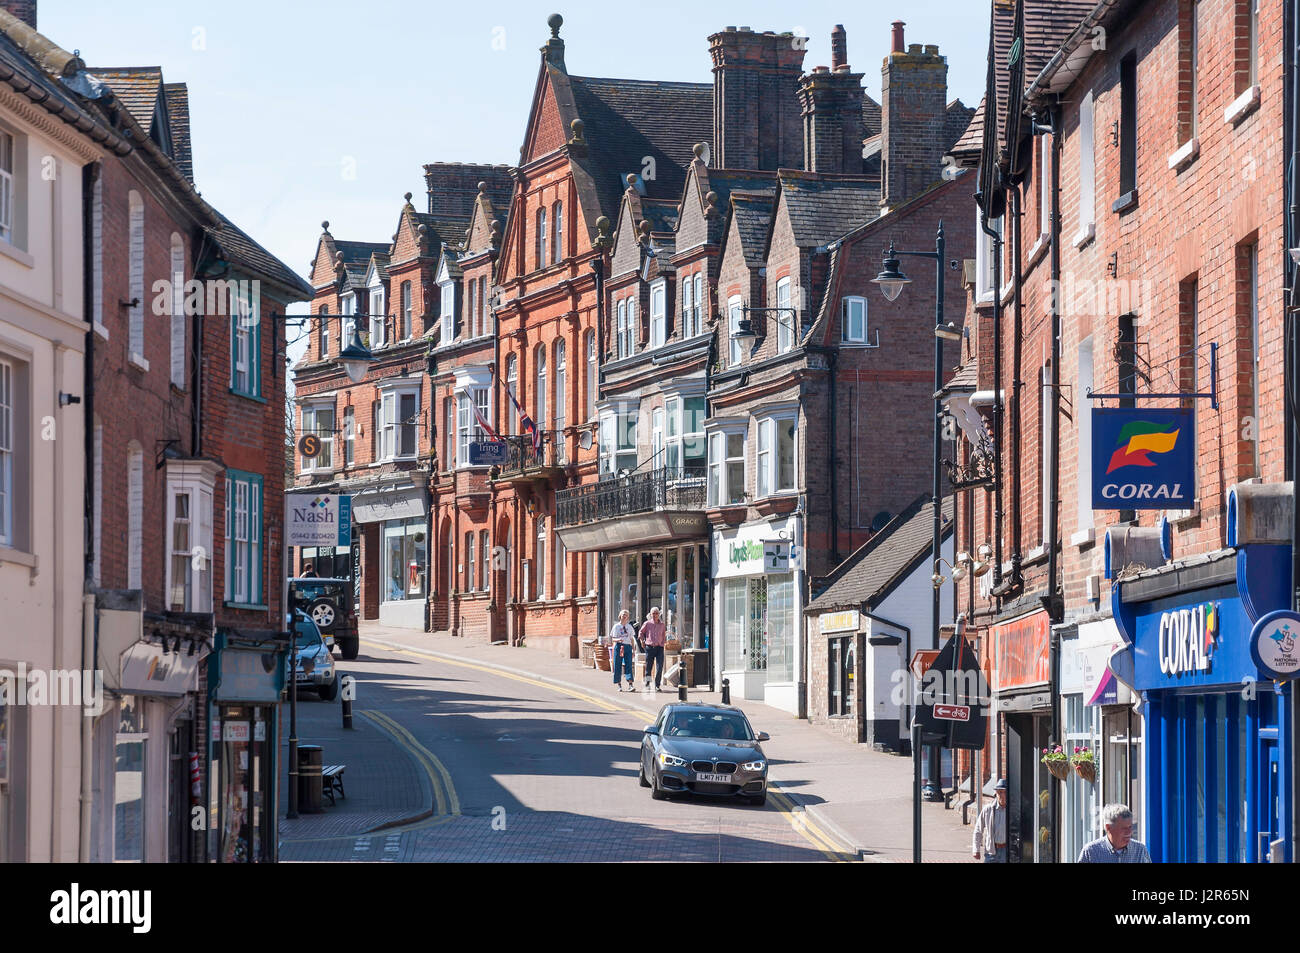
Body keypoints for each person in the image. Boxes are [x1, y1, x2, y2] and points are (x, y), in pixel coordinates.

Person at [1077, 804, 1152, 863]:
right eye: (1124, 828)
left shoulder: (1140, 850)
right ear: (1108, 828)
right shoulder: (1091, 851)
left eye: (1130, 827)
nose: (1129, 832)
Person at [972, 779, 1008, 863]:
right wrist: (976, 849)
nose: (1002, 795)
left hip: (1007, 851)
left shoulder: (1012, 810)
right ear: (996, 793)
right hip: (991, 851)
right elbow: (978, 830)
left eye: (1005, 792)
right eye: (1000, 792)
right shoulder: (988, 809)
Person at [607, 610, 637, 692]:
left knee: (629, 665)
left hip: (627, 647)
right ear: (620, 616)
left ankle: (630, 684)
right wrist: (618, 640)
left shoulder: (629, 627)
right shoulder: (616, 626)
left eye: (626, 615)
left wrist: (633, 650)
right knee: (617, 665)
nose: (625, 616)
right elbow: (613, 639)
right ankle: (619, 685)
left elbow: (632, 639)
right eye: (623, 614)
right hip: (619, 646)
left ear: (628, 617)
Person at [640, 606, 668, 691]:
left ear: (659, 614)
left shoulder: (662, 625)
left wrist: (663, 643)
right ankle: (648, 684)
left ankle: (657, 685)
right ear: (650, 614)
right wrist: (642, 641)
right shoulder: (647, 623)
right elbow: (641, 632)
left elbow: (663, 634)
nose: (655, 615)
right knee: (649, 667)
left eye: (656, 613)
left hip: (659, 647)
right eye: (653, 613)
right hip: (650, 647)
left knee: (659, 667)